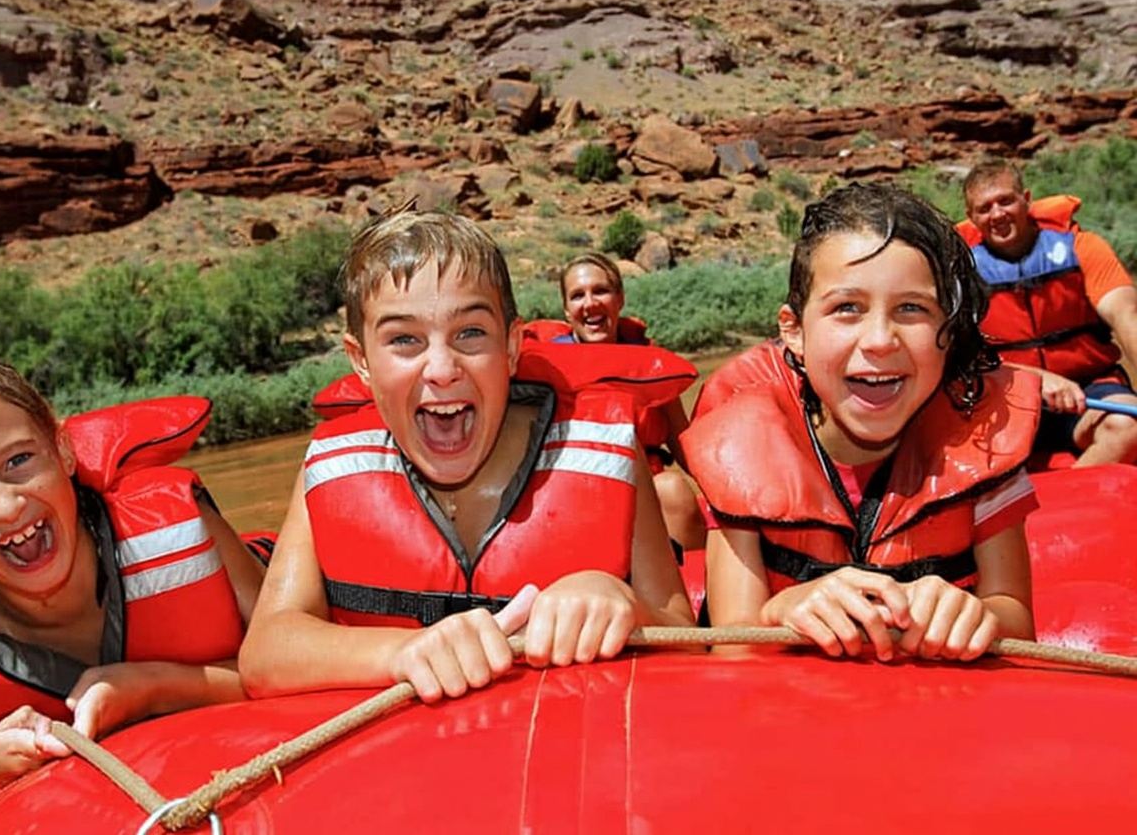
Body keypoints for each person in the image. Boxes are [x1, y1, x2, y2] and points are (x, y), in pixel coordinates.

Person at [239, 209, 693, 702]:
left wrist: (624, 603)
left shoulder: (608, 457)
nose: (441, 368)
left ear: (512, 347)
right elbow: (265, 653)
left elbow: (687, 642)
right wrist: (406, 652)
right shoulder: (329, 469)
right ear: (361, 361)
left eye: (470, 333)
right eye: (404, 340)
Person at [0, 355, 266, 813]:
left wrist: (153, 687)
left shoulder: (182, 527)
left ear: (63, 449)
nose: (6, 506)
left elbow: (287, 666)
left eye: (18, 460)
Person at [685, 183, 1038, 661]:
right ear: (794, 331)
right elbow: (734, 649)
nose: (879, 340)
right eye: (846, 308)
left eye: (912, 308)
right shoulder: (740, 438)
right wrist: (781, 610)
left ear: (949, 334)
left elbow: (1016, 618)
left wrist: (979, 615)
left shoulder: (983, 435)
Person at [524, 252, 707, 554]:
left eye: (601, 291)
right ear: (567, 311)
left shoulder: (650, 364)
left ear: (620, 299)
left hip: (649, 489)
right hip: (578, 490)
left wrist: (726, 498)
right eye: (577, 295)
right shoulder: (546, 370)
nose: (590, 303)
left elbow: (682, 441)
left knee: (673, 491)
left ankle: (697, 590)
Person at [959, 159, 1137, 466]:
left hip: (1090, 390)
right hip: (1006, 394)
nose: (997, 214)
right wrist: (1035, 378)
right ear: (971, 217)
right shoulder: (959, 273)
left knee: (1128, 428)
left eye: (1006, 201)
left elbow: (1126, 314)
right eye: (984, 208)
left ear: (1026, 200)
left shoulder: (1083, 247)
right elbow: (954, 355)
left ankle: (1069, 498)